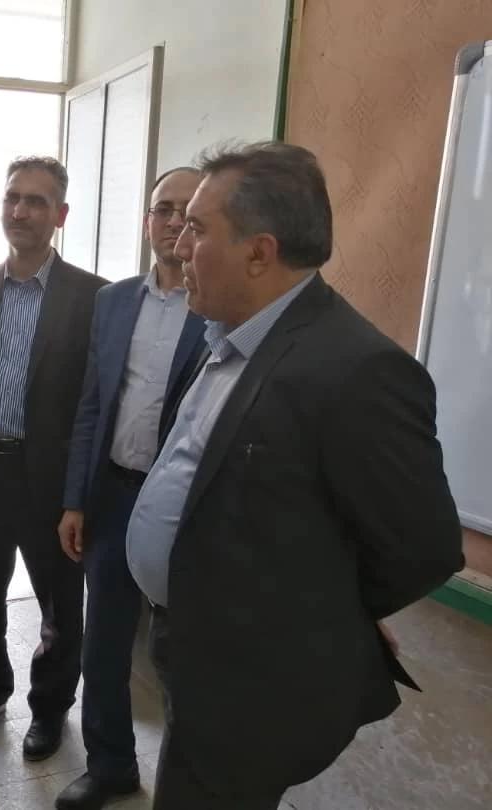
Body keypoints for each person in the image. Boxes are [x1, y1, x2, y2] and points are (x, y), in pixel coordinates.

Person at [125, 140, 464, 809]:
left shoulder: (356, 371)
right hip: (191, 646)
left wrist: (327, 608)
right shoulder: (227, 335)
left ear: (259, 252)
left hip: (251, 680)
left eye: (197, 229)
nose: (178, 246)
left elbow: (422, 549)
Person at [0, 156, 107, 761]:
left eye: (36, 201)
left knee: (60, 604)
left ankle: (50, 707)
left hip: (52, 480)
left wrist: (79, 493)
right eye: (13, 198)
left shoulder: (93, 297)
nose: (21, 210)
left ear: (60, 214)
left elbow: (94, 402)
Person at [54, 167, 206, 810]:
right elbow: (92, 404)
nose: (173, 221)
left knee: (184, 653)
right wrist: (75, 498)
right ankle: (111, 764)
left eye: (188, 212)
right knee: (104, 644)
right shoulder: (113, 302)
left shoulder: (221, 308)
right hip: (114, 496)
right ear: (147, 220)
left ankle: (193, 784)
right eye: (163, 208)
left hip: (187, 509)